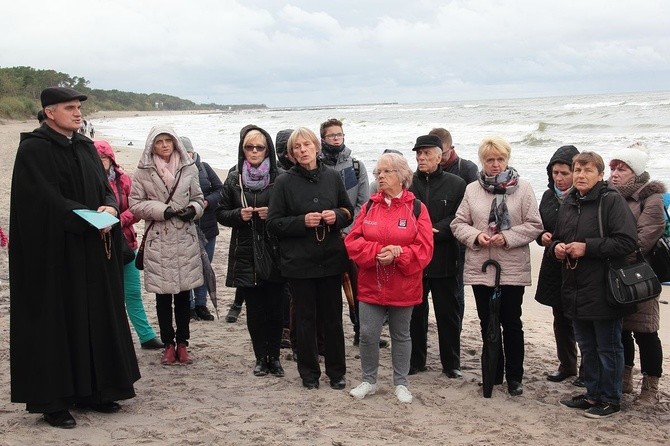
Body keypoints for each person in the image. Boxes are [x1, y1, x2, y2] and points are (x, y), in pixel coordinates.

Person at [9, 87, 140, 428]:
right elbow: (42, 201)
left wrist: (110, 206)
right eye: (69, 108)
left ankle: (97, 391)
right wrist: (84, 216)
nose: (78, 113)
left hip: (93, 252)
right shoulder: (34, 150)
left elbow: (105, 189)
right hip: (54, 255)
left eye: (79, 107)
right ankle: (55, 402)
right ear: (50, 112)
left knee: (94, 316)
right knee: (57, 321)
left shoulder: (84, 147)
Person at [451, 136, 543, 397]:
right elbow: (458, 224)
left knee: (511, 322)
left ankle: (515, 377)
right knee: (486, 322)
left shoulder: (523, 188)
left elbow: (535, 225)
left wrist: (507, 236)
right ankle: (494, 371)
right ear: (483, 161)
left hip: (511, 265)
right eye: (490, 160)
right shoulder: (472, 189)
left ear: (507, 159)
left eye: (500, 159)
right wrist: (476, 236)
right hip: (482, 266)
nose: (496, 165)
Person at [267, 127, 354, 390]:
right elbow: (273, 223)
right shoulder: (284, 182)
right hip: (299, 261)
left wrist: (336, 217)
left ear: (316, 146)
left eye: (307, 145)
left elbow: (348, 211)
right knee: (304, 319)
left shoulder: (332, 176)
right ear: (292, 153)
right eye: (297, 147)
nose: (303, 150)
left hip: (330, 258)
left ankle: (337, 372)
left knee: (332, 318)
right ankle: (309, 373)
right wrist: (301, 221)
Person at [553, 151, 637, 419]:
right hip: (575, 285)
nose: (580, 175)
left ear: (599, 175)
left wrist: (586, 248)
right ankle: (592, 394)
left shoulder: (611, 201)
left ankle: (610, 399)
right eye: (577, 169)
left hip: (605, 287)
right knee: (587, 345)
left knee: (608, 346)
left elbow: (626, 242)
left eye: (587, 170)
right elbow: (557, 237)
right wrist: (557, 247)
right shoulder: (570, 202)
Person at [345, 152, 434, 403]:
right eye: (377, 172)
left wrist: (399, 255)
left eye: (386, 172)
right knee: (368, 334)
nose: (380, 176)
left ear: (401, 176)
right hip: (372, 283)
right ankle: (369, 380)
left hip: (403, 284)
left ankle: (401, 383)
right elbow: (353, 242)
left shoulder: (417, 208)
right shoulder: (369, 206)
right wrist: (376, 253)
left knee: (401, 335)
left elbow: (425, 249)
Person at [129, 126, 205, 366]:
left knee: (184, 294)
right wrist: (163, 210)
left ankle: (183, 343)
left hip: (184, 237)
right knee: (163, 296)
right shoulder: (143, 171)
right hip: (159, 239)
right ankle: (168, 344)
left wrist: (193, 210)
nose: (164, 145)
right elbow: (135, 204)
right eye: (159, 141)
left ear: (175, 143)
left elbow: (199, 197)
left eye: (168, 140)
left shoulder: (189, 168)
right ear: (151, 145)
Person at [217, 126, 286, 377]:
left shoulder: (280, 177)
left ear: (267, 149)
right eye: (249, 147)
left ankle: (275, 357)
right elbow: (221, 213)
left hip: (275, 250)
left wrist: (274, 214)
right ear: (242, 149)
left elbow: (291, 213)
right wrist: (239, 215)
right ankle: (260, 357)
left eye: (259, 147)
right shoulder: (234, 178)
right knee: (255, 309)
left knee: (276, 308)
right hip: (245, 249)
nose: (254, 151)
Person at [609, 143, 665, 406]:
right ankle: (624, 379)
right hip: (613, 274)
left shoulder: (650, 198)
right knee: (621, 329)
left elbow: (646, 236)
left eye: (622, 168)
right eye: (613, 167)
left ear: (636, 172)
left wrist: (615, 252)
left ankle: (650, 387)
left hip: (640, 274)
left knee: (645, 331)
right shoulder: (610, 195)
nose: (615, 173)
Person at [94, 140, 163, 349]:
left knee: (132, 292)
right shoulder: (85, 182)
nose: (100, 163)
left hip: (125, 244)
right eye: (95, 160)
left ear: (111, 159)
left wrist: (115, 220)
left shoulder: (123, 180)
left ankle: (146, 335)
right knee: (103, 295)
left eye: (103, 159)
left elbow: (136, 209)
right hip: (97, 246)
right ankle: (109, 339)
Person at [408, 135, 466, 378]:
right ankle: (416, 361)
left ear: (440, 156)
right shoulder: (408, 183)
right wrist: (419, 230)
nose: (421, 158)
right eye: (418, 154)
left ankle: (451, 364)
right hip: (415, 260)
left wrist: (437, 229)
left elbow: (461, 216)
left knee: (448, 314)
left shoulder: (457, 184)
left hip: (445, 257)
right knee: (415, 315)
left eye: (427, 153)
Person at [318, 118, 371, 347]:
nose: (337, 139)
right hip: (324, 237)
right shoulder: (316, 166)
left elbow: (363, 203)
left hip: (352, 236)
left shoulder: (356, 166)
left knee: (358, 290)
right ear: (323, 139)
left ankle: (362, 332)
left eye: (340, 134)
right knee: (328, 293)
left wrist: (348, 229)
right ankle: (328, 337)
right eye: (332, 135)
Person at [534, 145, 583, 383]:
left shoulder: (584, 196)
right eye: (555, 173)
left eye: (565, 173)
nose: (560, 178)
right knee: (560, 317)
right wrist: (542, 235)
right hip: (554, 262)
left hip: (579, 265)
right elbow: (538, 224)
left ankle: (587, 370)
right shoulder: (548, 196)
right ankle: (567, 365)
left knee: (582, 317)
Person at [429, 127, 478, 326]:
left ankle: (454, 330)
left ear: (452, 148)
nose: (439, 158)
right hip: (431, 238)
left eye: (444, 153)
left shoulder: (466, 169)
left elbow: (471, 206)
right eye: (435, 153)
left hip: (458, 241)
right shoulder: (426, 171)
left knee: (456, 291)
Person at [180, 136, 222, 322]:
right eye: (181, 152)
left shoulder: (204, 167)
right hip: (184, 227)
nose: (185, 155)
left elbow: (220, 190)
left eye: (187, 151)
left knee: (205, 265)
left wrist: (206, 202)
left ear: (193, 151)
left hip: (207, 226)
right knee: (187, 267)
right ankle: (188, 306)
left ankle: (201, 304)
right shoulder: (174, 171)